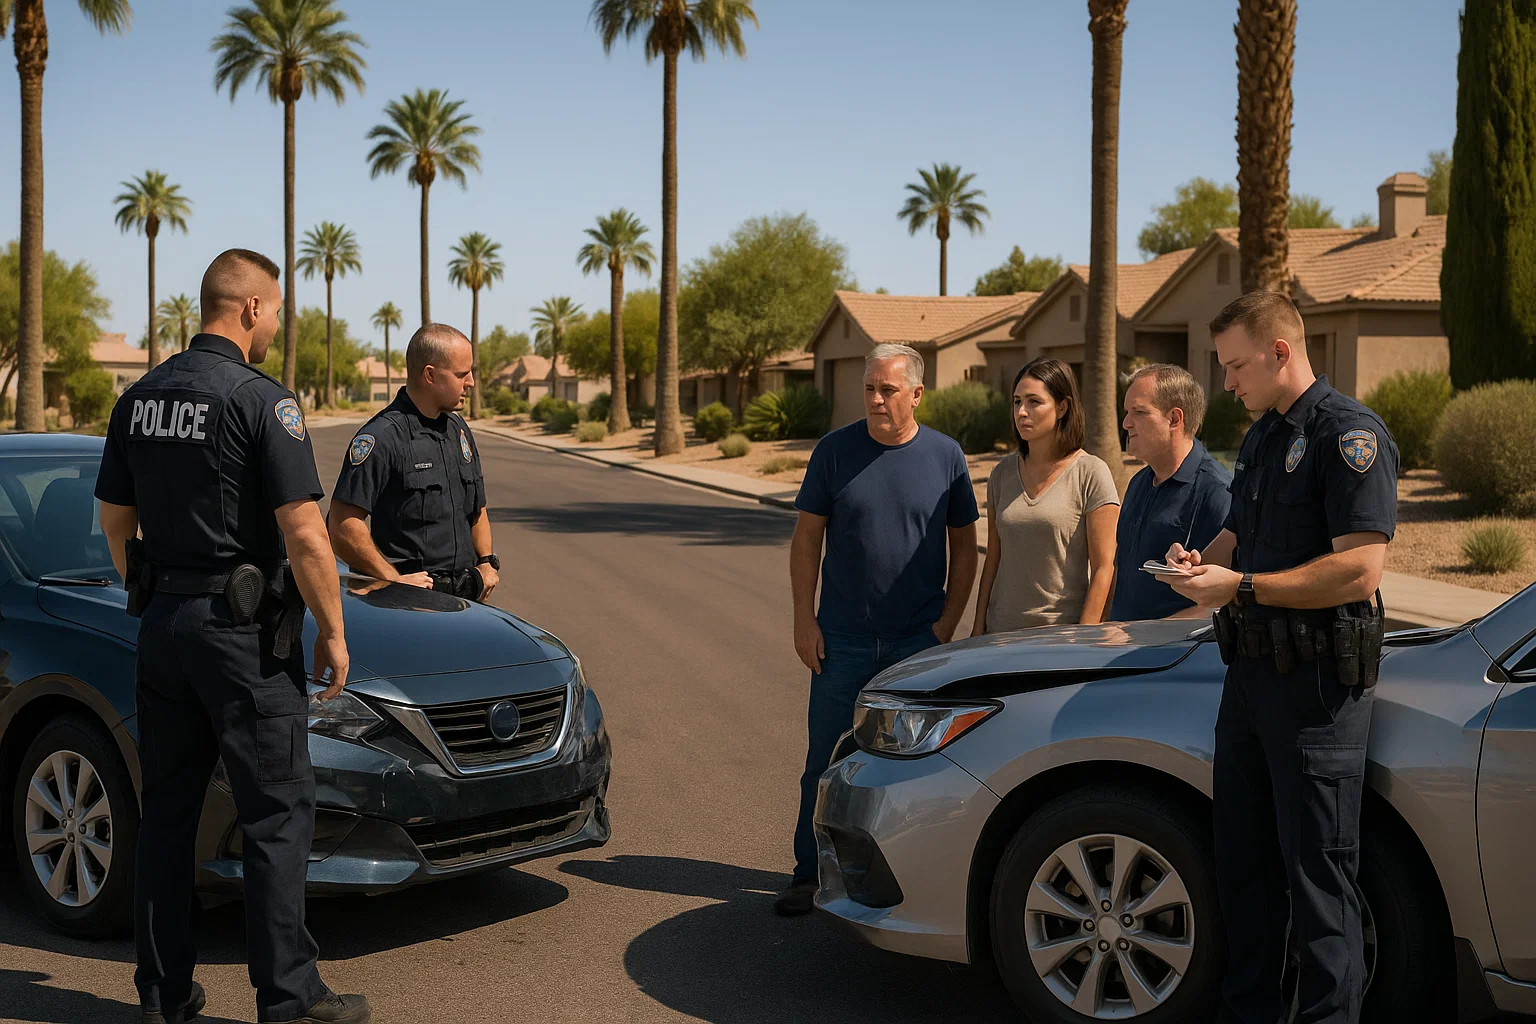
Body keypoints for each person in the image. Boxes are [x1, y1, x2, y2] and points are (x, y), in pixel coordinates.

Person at [95, 249, 370, 1024]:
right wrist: (333, 632)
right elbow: (306, 534)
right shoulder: (263, 402)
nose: (278, 323)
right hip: (241, 640)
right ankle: (289, 999)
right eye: (276, 309)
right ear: (250, 309)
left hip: (163, 627)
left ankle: (163, 997)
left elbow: (117, 520)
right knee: (277, 818)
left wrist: (147, 589)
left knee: (168, 814)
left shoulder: (138, 399)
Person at [1163, 291, 1397, 1024]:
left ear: (1281, 352)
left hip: (1317, 695)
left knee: (1320, 885)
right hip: (1252, 681)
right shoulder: (1265, 437)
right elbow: (1240, 532)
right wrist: (1202, 565)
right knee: (1245, 870)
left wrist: (1245, 586)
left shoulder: (1349, 436)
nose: (1227, 381)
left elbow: (1362, 570)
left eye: (1236, 365)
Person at [777, 342, 979, 916]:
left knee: (913, 769)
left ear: (916, 394)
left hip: (918, 643)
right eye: (869, 388)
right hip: (841, 639)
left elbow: (964, 548)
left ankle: (898, 884)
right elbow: (806, 540)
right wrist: (803, 619)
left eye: (888, 390)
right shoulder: (834, 452)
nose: (875, 399)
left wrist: (945, 625)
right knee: (825, 762)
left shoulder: (946, 456)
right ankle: (806, 874)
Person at [328, 324, 500, 602]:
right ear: (430, 375)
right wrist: (392, 579)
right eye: (461, 374)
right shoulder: (382, 437)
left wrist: (487, 561)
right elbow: (342, 525)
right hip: (409, 605)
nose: (471, 382)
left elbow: (477, 508)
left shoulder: (458, 430)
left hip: (468, 600)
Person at [971, 358, 1119, 635]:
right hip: (999, 636)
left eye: (1033, 402)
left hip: (1059, 639)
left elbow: (1104, 567)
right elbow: (993, 558)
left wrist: (1084, 637)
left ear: (1062, 407)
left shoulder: (1091, 472)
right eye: (1016, 402)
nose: (1021, 412)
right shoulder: (1002, 474)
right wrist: (978, 628)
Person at [1108, 363, 1232, 620]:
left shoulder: (1216, 492)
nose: (1126, 423)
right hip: (1121, 651)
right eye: (1127, 412)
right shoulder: (1139, 483)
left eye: (1139, 412)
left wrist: (1149, 636)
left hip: (1176, 656)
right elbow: (1121, 573)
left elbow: (1226, 601)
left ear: (1175, 419)